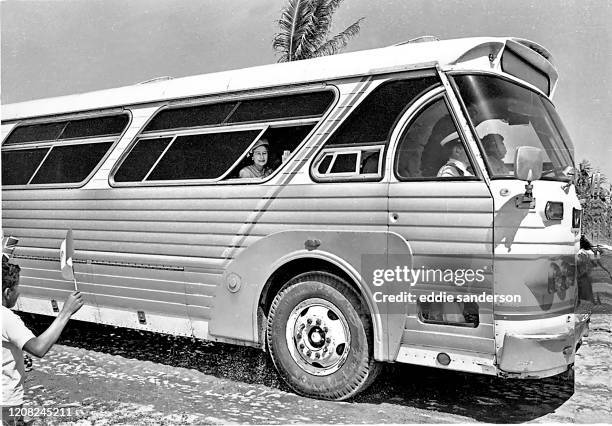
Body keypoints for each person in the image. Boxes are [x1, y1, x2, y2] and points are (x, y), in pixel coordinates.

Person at [2, 258, 83, 425]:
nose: (19, 292)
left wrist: (17, 357)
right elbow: (39, 348)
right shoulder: (6, 318)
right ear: (7, 292)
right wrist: (66, 312)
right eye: (17, 288)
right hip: (6, 402)